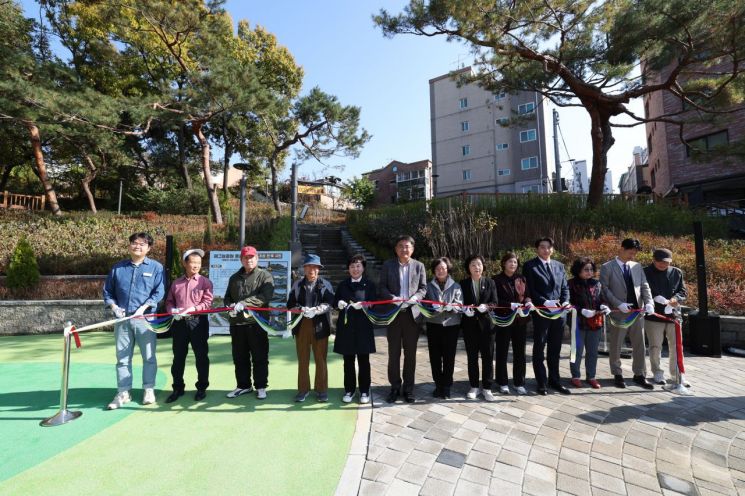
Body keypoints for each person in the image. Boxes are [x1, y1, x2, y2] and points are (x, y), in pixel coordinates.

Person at [103, 232, 165, 410]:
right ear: (129, 245)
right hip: (122, 320)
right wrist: (114, 307)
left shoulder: (156, 268)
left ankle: (148, 389)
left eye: (142, 244)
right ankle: (124, 391)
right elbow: (108, 292)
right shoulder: (118, 268)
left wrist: (144, 308)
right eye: (134, 243)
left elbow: (158, 292)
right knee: (122, 358)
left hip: (145, 320)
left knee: (149, 356)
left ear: (149, 248)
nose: (137, 246)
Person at [599, 238, 655, 389]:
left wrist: (649, 303)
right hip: (619, 312)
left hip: (637, 312)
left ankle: (639, 374)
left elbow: (644, 286)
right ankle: (617, 373)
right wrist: (618, 303)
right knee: (616, 344)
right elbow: (604, 289)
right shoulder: (607, 267)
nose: (632, 256)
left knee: (640, 345)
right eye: (630, 252)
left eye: (635, 253)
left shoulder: (637, 266)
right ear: (622, 249)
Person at [379, 235, 427, 403]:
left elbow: (423, 288)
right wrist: (392, 297)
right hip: (393, 314)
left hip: (412, 315)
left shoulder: (419, 266)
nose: (404, 249)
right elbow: (382, 287)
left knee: (410, 355)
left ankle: (409, 389)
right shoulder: (387, 265)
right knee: (394, 354)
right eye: (401, 246)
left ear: (412, 249)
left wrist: (416, 298)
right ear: (396, 249)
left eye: (407, 246)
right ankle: (394, 387)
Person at [224, 245, 275, 400]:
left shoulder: (265, 276)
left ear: (257, 258)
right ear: (241, 260)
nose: (249, 260)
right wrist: (229, 307)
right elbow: (227, 297)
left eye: (252, 257)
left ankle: (260, 386)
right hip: (237, 324)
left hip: (257, 323)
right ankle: (243, 385)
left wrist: (244, 303)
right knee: (239, 357)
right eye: (246, 257)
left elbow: (264, 297)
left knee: (259, 356)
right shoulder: (234, 278)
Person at [164, 248, 214, 402]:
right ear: (185, 263)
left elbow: (207, 302)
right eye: (193, 262)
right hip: (179, 323)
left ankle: (201, 388)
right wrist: (172, 310)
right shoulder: (176, 283)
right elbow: (169, 301)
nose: (196, 266)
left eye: (199, 263)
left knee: (201, 356)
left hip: (198, 322)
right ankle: (177, 388)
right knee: (178, 357)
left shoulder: (205, 282)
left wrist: (194, 309)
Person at [523, 237, 571, 395]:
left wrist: (565, 302)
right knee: (539, 347)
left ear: (553, 249)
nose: (546, 250)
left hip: (559, 313)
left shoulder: (559, 265)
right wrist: (545, 302)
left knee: (555, 348)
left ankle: (555, 380)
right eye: (542, 247)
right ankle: (541, 382)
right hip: (542, 312)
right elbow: (530, 288)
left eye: (549, 247)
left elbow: (565, 287)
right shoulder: (530, 266)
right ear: (537, 249)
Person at [287, 254, 335, 402]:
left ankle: (321, 390)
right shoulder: (297, 284)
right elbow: (290, 304)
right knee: (303, 359)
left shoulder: (325, 284)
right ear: (304, 268)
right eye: (308, 267)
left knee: (320, 359)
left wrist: (317, 309)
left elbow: (330, 303)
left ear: (319, 269)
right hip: (302, 325)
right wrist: (301, 309)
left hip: (320, 325)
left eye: (315, 267)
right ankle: (303, 389)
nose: (311, 270)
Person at [333, 254, 377, 404]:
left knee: (364, 360)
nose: (355, 269)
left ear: (363, 267)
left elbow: (375, 303)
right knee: (348, 360)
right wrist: (338, 302)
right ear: (348, 269)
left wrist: (366, 304)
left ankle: (364, 391)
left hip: (364, 327)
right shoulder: (343, 285)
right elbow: (334, 301)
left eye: (358, 265)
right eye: (352, 266)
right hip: (346, 327)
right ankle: (349, 390)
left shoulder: (370, 285)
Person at [643, 248, 689, 386]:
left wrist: (676, 298)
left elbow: (683, 291)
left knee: (676, 346)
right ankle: (657, 372)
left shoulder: (676, 272)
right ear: (653, 260)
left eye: (666, 262)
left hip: (673, 314)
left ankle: (677, 374)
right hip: (654, 314)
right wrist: (655, 298)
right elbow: (642, 289)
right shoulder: (645, 272)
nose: (663, 265)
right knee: (655, 345)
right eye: (660, 262)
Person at [460, 254, 498, 402]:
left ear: (483, 266)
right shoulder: (463, 283)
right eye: (473, 265)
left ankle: (487, 388)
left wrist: (487, 306)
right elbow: (459, 302)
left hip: (487, 325)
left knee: (488, 356)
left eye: (479, 264)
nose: (477, 267)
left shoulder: (490, 282)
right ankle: (474, 386)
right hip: (470, 325)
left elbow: (495, 301)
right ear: (468, 268)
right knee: (472, 357)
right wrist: (464, 309)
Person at [424, 257, 463, 400]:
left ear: (448, 270)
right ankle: (438, 385)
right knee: (434, 357)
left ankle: (446, 386)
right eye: (438, 268)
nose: (441, 271)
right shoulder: (428, 286)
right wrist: (431, 307)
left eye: (444, 268)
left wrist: (451, 307)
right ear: (434, 271)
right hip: (433, 324)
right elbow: (424, 304)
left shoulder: (456, 286)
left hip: (451, 325)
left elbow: (460, 305)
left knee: (449, 357)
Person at [568, 257, 610, 389]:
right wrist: (581, 311)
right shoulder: (571, 284)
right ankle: (575, 376)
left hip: (595, 322)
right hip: (578, 322)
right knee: (577, 350)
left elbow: (602, 299)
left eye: (591, 269)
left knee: (592, 351)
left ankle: (591, 376)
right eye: (586, 269)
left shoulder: (597, 283)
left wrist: (604, 306)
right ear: (578, 270)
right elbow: (568, 304)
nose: (589, 272)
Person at [492, 252, 531, 395]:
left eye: (515, 262)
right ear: (504, 263)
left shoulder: (522, 279)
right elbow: (495, 300)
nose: (512, 264)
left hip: (520, 320)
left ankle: (519, 382)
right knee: (502, 351)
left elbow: (527, 295)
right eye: (510, 262)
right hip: (503, 320)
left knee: (520, 352)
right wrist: (510, 305)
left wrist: (528, 302)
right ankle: (502, 382)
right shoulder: (496, 280)